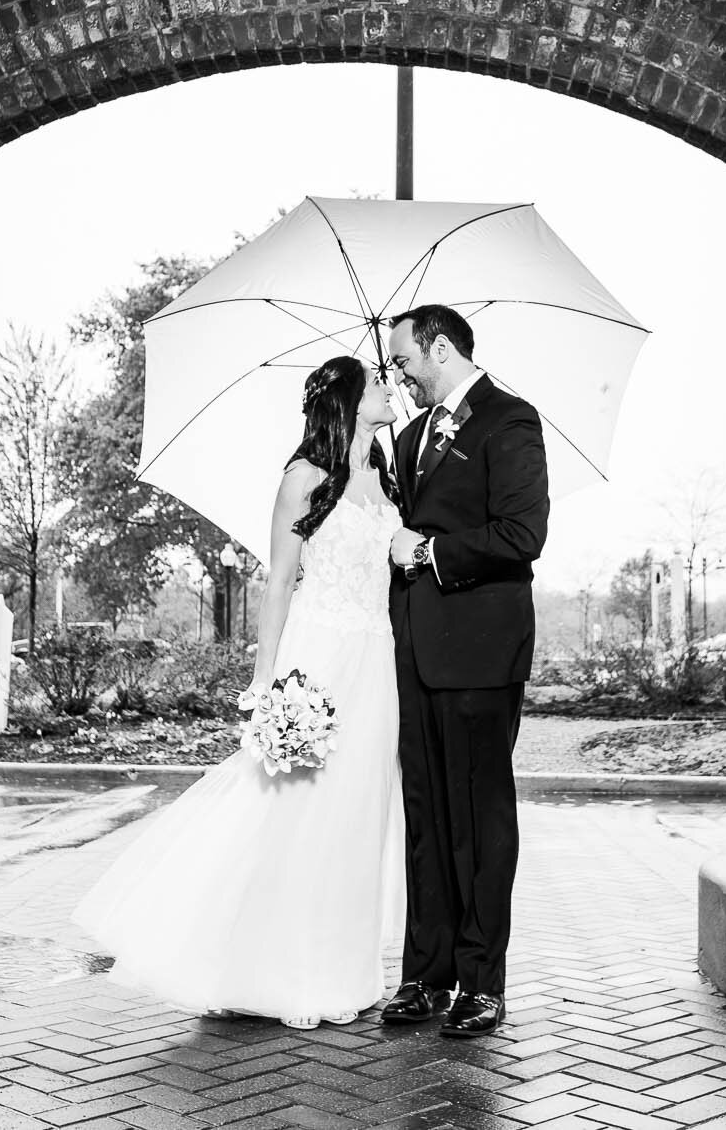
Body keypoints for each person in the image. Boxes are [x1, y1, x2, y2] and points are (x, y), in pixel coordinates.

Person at [71, 355, 405, 1028]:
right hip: (320, 659)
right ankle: (272, 966)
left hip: (378, 662)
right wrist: (267, 680)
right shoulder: (303, 478)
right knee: (294, 812)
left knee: (359, 812)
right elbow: (279, 583)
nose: (389, 388)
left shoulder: (390, 478)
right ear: (345, 400)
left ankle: (345, 966)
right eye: (375, 382)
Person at [380, 303, 549, 1040]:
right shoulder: (412, 435)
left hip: (481, 649)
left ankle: (481, 983)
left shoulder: (510, 419)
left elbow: (522, 532)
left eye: (405, 359)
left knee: (479, 821)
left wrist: (427, 552)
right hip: (416, 651)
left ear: (439, 347)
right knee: (427, 815)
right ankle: (427, 972)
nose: (400, 374)